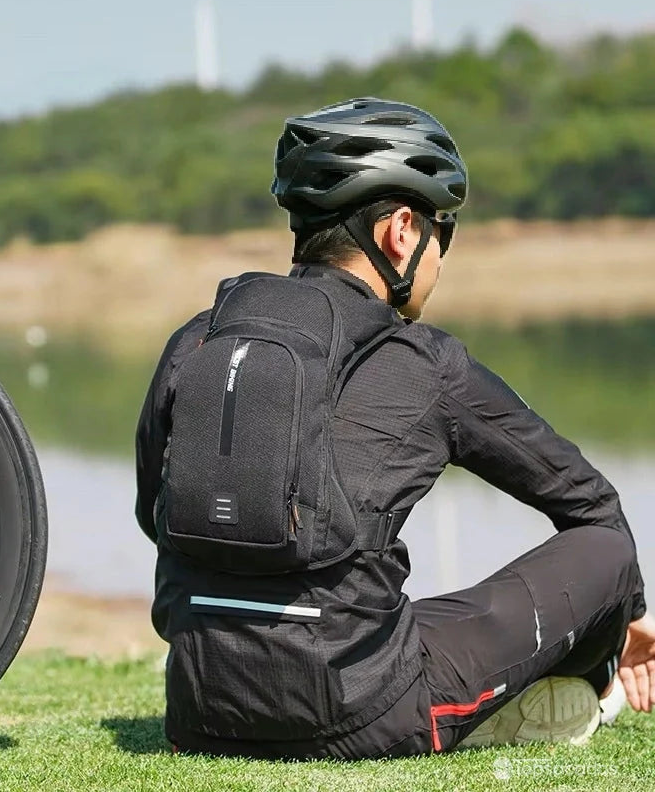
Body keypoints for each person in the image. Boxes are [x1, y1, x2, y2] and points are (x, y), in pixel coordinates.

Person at [134, 98, 655, 760]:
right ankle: (560, 693)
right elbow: (587, 502)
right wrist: (627, 616)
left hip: (199, 706)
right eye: (446, 230)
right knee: (606, 551)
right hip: (359, 715)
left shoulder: (199, 338)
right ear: (402, 231)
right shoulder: (423, 361)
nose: (442, 252)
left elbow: (158, 512)